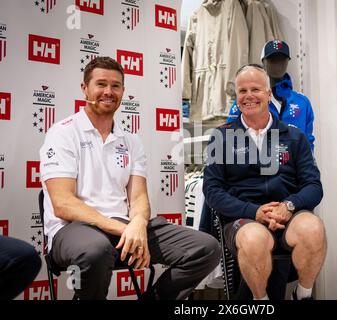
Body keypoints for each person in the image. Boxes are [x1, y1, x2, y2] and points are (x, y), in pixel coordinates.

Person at [39, 56, 220, 300]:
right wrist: (127, 230)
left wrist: (137, 224)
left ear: (123, 91)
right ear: (85, 89)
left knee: (205, 248)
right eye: (101, 84)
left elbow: (139, 198)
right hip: (72, 230)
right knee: (95, 250)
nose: (108, 92)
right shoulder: (63, 133)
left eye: (115, 86)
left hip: (123, 227)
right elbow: (63, 204)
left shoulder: (131, 140)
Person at [203, 64, 326, 300]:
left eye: (256, 89)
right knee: (254, 239)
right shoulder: (222, 136)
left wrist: (288, 206)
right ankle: (261, 302)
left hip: (289, 215)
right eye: (242, 91)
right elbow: (212, 190)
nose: (249, 96)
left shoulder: (294, 136)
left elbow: (314, 186)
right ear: (236, 97)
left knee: (313, 228)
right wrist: (255, 211)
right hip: (244, 218)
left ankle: (303, 294)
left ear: (269, 94)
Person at [227, 39, 315, 150]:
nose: (278, 64)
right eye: (272, 60)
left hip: (295, 165)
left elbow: (308, 141)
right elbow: (230, 136)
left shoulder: (302, 102)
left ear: (288, 61)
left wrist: (307, 165)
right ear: (263, 62)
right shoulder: (249, 100)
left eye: (282, 60)